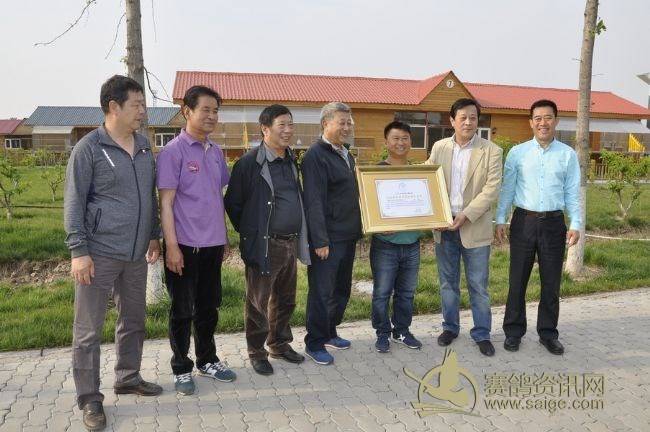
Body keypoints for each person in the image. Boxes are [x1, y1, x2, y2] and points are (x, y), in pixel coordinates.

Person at [64, 75, 162, 431]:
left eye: (143, 105)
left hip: (135, 254)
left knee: (133, 320)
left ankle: (128, 377)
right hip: (98, 254)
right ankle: (90, 398)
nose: (142, 111)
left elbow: (149, 196)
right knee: (88, 331)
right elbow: (74, 203)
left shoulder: (145, 146)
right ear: (113, 107)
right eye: (136, 105)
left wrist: (153, 235)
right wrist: (79, 251)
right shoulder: (89, 148)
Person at [156, 85, 236, 396]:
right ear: (187, 111)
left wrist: (224, 235)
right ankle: (181, 367)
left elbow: (216, 196)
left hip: (212, 245)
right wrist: (172, 247)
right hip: (184, 246)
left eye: (216, 111)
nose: (212, 116)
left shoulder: (215, 152)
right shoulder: (173, 152)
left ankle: (207, 360)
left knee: (208, 307)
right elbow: (166, 204)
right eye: (206, 110)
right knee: (182, 310)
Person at [224, 104, 309, 375]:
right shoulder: (249, 163)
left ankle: (279, 344)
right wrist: (252, 232)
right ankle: (257, 352)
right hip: (265, 243)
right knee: (258, 302)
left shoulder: (291, 159)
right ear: (265, 129)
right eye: (282, 125)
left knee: (286, 299)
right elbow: (233, 203)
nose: (288, 130)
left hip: (290, 242)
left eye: (291, 125)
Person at [495, 99, 581, 355]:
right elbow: (508, 189)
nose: (543, 123)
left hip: (554, 223)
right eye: (538, 118)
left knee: (551, 283)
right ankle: (513, 332)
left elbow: (572, 192)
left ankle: (548, 333)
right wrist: (500, 218)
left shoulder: (567, 155)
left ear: (556, 120)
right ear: (531, 122)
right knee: (517, 280)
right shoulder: (517, 153)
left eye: (548, 117)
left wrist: (575, 223)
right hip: (524, 221)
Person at [425, 98, 503, 357]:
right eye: (463, 117)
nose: (468, 122)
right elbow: (427, 178)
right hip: (444, 226)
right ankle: (450, 327)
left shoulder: (491, 151)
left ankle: (482, 333)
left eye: (473, 117)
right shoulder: (439, 148)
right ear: (452, 121)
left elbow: (491, 189)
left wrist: (467, 215)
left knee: (478, 285)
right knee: (448, 283)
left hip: (474, 226)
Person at [302, 102, 362, 365]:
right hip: (328, 238)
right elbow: (313, 201)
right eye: (342, 122)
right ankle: (314, 342)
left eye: (350, 123)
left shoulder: (346, 154)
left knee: (341, 289)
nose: (347, 127)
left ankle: (329, 332)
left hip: (347, 234)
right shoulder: (315, 156)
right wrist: (320, 240)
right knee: (322, 292)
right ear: (325, 123)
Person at [370, 121, 423, 353]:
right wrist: (378, 226)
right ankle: (382, 333)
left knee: (406, 294)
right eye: (395, 138)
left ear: (410, 141)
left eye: (405, 138)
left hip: (412, 244)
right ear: (386, 142)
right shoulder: (375, 173)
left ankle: (401, 330)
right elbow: (369, 209)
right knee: (382, 293)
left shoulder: (420, 173)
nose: (400, 143)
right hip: (385, 245)